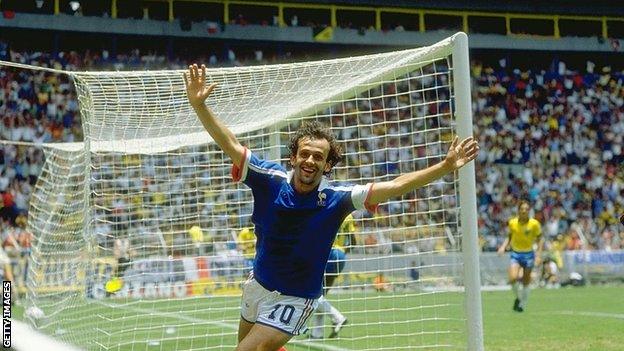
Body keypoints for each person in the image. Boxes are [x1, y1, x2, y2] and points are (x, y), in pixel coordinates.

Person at [184, 64, 479, 351]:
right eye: (305, 154)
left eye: (318, 157)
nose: (310, 161)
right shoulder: (269, 179)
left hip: (296, 297)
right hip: (257, 286)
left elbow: (395, 186)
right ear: (294, 158)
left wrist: (445, 166)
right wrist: (200, 107)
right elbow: (231, 145)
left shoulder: (339, 196)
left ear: (327, 165)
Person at [309, 214, 356, 339]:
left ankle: (338, 317)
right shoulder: (349, 215)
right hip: (340, 255)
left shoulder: (325, 208)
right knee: (320, 295)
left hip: (326, 253)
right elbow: (353, 242)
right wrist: (341, 253)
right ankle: (316, 334)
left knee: (312, 293)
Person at [497, 200, 543, 312]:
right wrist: (503, 247)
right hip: (516, 253)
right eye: (522, 209)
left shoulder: (534, 224)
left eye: (526, 209)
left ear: (529, 211)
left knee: (526, 281)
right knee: (512, 278)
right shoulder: (512, 223)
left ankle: (522, 304)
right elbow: (509, 236)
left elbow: (540, 239)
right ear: (518, 210)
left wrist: (538, 255)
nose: (524, 211)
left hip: (528, 254)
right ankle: (518, 298)